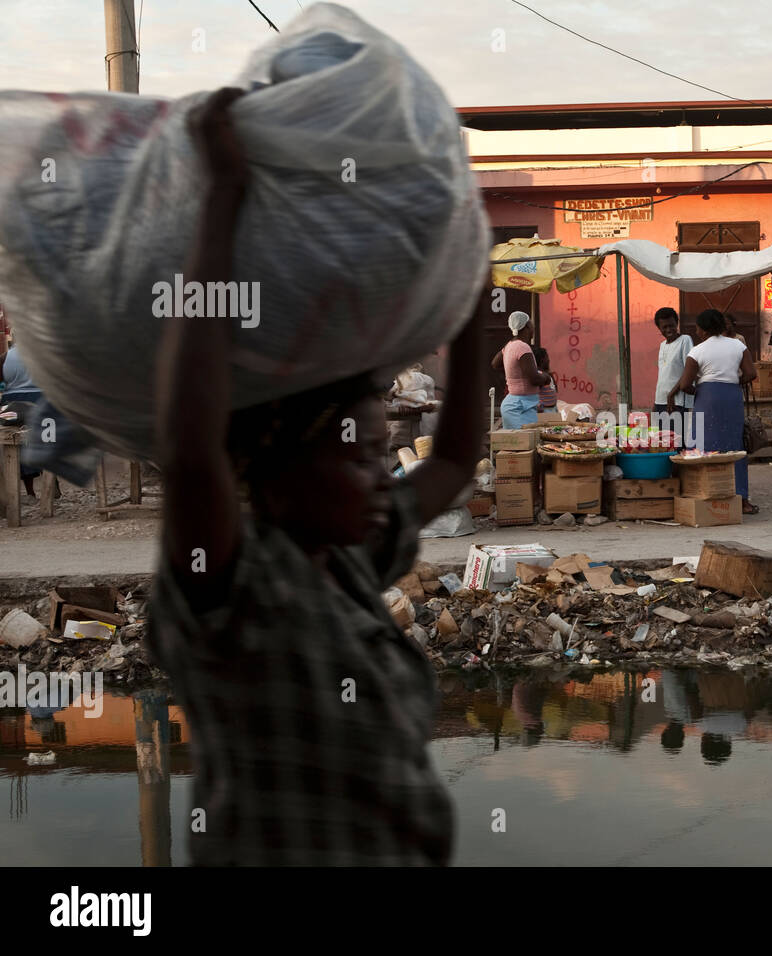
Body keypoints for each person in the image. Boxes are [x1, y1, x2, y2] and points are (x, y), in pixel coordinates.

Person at [146, 88, 483, 865]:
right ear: (280, 467)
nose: (380, 475)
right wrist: (223, 196)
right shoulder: (230, 585)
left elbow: (458, 459)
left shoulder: (353, 564)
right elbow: (191, 446)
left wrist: (467, 286)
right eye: (359, 455)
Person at [666, 308, 758, 514]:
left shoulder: (697, 351)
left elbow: (684, 384)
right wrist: (734, 382)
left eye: (698, 327)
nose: (696, 331)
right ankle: (742, 499)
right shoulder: (738, 345)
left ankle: (701, 493)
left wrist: (699, 389)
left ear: (704, 329)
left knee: (702, 445)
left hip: (707, 397)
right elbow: (751, 373)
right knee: (735, 446)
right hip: (732, 396)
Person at [1, 346, 50, 497]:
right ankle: (50, 485)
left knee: (19, 446)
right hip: (42, 403)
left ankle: (30, 493)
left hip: (14, 407)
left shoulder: (5, 357)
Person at [491, 311, 550, 428]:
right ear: (527, 326)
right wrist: (545, 377)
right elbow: (534, 379)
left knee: (522, 443)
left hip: (517, 405)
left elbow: (495, 364)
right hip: (519, 406)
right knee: (524, 444)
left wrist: (514, 372)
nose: (533, 327)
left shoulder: (510, 345)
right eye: (531, 324)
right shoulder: (523, 347)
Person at [652, 307, 692, 418]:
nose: (669, 330)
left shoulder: (685, 340)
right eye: (664, 327)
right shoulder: (662, 345)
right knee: (661, 435)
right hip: (661, 400)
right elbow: (663, 376)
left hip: (676, 401)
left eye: (671, 325)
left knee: (676, 435)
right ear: (659, 328)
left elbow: (688, 372)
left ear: (677, 323)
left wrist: (671, 395)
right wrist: (656, 402)